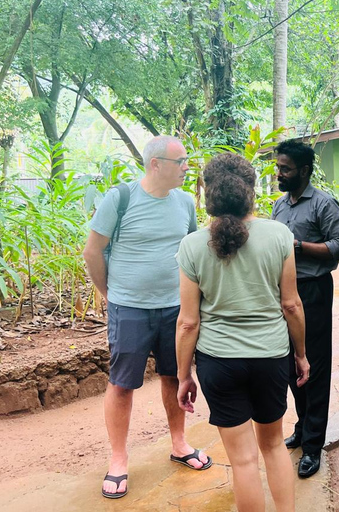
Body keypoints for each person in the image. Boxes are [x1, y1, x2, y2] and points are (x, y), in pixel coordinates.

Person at [175, 153, 310, 512]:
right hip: (271, 357)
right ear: (249, 190)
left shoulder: (191, 245)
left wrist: (183, 375)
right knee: (273, 446)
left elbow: (188, 322)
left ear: (208, 194)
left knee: (244, 461)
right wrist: (300, 355)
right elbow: (292, 305)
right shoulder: (280, 235)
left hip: (218, 363)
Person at [83, 136, 211, 500]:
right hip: (130, 309)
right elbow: (92, 251)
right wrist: (111, 294)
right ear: (156, 164)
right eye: (181, 160)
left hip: (176, 309)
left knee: (175, 375)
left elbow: (191, 251)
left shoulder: (185, 202)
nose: (188, 166)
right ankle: (119, 459)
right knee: (122, 383)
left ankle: (180, 443)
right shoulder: (120, 199)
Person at [271, 140, 339, 478]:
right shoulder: (278, 206)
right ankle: (302, 428)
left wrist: (299, 246)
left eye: (285, 168)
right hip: (282, 294)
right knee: (291, 367)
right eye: (278, 167)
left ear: (303, 170)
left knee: (313, 367)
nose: (279, 174)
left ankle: (313, 447)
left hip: (313, 291)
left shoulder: (323, 204)